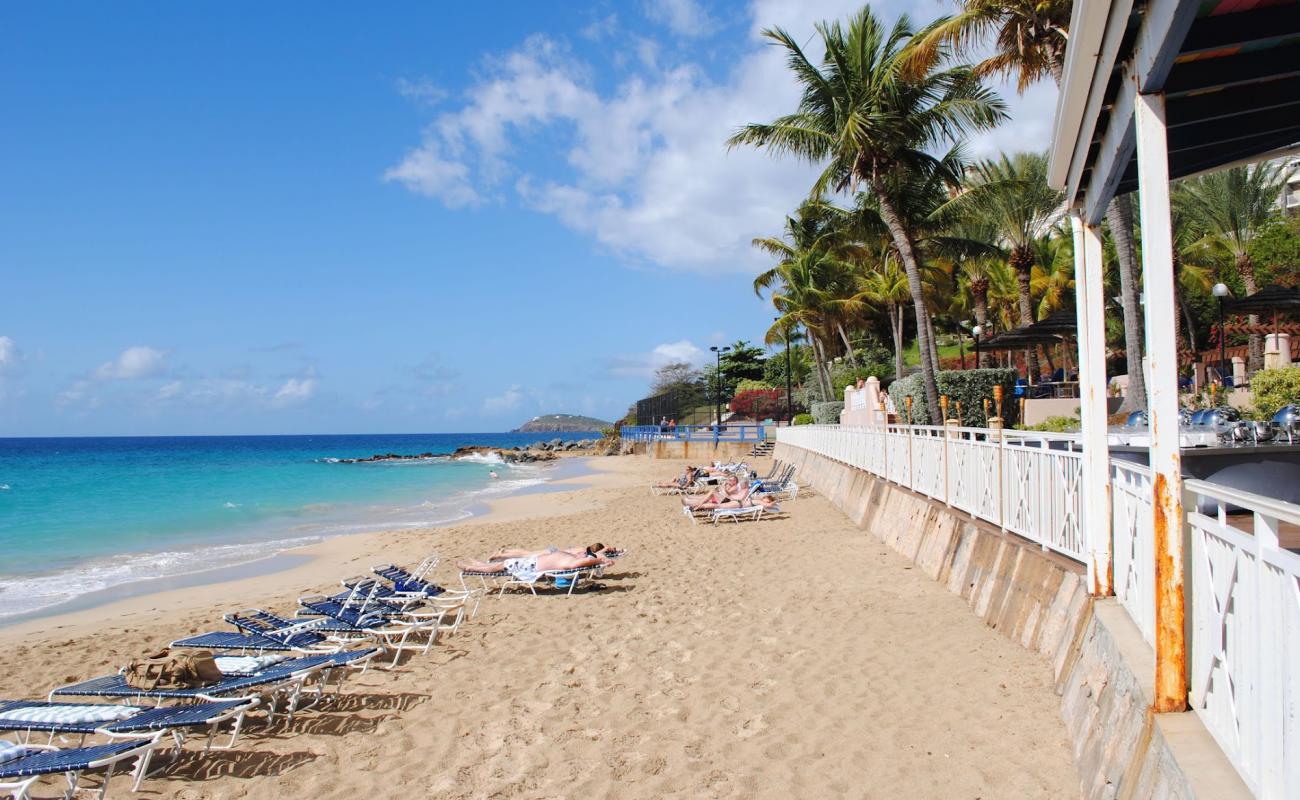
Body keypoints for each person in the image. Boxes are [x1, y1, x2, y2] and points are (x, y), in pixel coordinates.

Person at [457, 547, 610, 575]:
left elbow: (588, 562)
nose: (585, 553)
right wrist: (599, 558)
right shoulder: (575, 557)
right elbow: (590, 559)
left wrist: (599, 560)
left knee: (499, 566)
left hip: (531, 566)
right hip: (532, 562)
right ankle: (478, 565)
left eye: (587, 554)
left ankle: (471, 568)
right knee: (500, 564)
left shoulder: (572, 563)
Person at [682, 475, 749, 508]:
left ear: (735, 481)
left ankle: (696, 503)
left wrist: (723, 488)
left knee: (712, 492)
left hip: (728, 501)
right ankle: (690, 502)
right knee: (708, 498)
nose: (729, 481)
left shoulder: (737, 487)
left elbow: (730, 494)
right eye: (729, 480)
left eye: (730, 480)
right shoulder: (738, 488)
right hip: (726, 500)